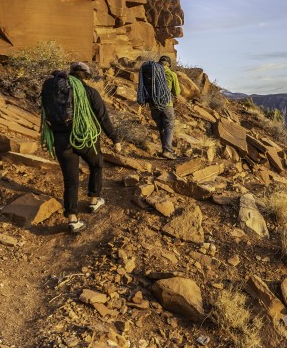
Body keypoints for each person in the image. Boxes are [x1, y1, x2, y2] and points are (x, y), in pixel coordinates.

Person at [40, 62, 120, 233]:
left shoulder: (56, 91)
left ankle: (72, 219)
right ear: (87, 76)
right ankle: (93, 200)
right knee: (96, 164)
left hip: (60, 140)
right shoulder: (90, 92)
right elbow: (102, 117)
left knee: (71, 180)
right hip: (84, 139)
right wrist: (115, 138)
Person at [137, 55, 181, 159]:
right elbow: (177, 92)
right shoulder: (171, 74)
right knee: (169, 126)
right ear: (169, 64)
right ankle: (167, 151)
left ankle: (164, 149)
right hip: (166, 104)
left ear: (159, 62)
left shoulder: (152, 72)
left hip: (153, 104)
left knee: (161, 128)